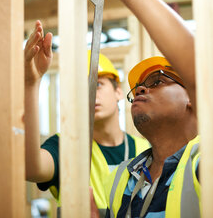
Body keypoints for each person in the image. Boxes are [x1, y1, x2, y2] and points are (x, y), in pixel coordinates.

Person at [85, 0, 200, 217]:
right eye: (137, 88)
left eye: (158, 80)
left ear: (192, 95)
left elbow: (203, 76)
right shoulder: (119, 179)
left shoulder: (207, 159)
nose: (140, 89)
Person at [24, 20, 150, 217]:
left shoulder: (147, 151)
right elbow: (32, 168)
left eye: (97, 84)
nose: (90, 94)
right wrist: (31, 83)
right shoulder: (66, 147)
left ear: (118, 91)